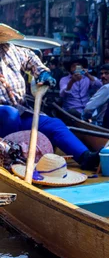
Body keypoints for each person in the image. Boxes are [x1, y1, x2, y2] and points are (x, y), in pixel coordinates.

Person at [0, 24, 99, 169]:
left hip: (20, 112)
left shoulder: (9, 50)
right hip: (4, 117)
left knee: (54, 124)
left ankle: (84, 157)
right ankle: (12, 159)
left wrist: (42, 73)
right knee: (9, 114)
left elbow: (30, 58)